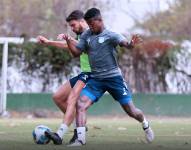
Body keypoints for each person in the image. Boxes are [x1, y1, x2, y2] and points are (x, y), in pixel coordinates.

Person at [61, 8, 154, 146]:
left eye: (92, 23)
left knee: (131, 111)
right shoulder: (87, 35)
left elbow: (125, 44)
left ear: (100, 20)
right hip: (97, 80)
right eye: (88, 24)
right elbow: (76, 53)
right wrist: (68, 40)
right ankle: (80, 140)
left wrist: (131, 44)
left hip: (114, 79)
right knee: (80, 104)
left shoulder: (111, 35)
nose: (90, 27)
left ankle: (145, 124)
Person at [37, 10, 90, 145]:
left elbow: (79, 48)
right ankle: (80, 125)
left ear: (82, 21)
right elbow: (69, 46)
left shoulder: (90, 34)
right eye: (70, 26)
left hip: (93, 75)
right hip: (83, 73)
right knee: (58, 97)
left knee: (73, 100)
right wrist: (48, 42)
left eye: (73, 25)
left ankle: (65, 132)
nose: (72, 28)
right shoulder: (81, 35)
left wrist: (69, 39)